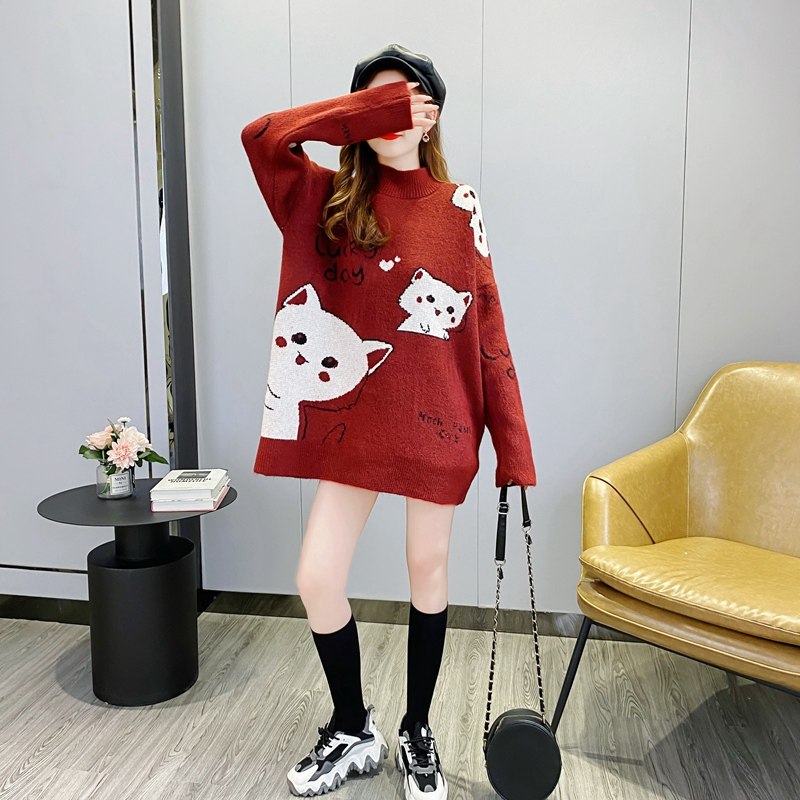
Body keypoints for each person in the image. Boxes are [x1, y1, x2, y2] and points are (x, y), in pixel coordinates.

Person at [240, 43, 537, 799]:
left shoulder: (458, 206)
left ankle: (417, 729)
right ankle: (353, 727)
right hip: (357, 425)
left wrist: (514, 448)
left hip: (439, 423)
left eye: (405, 101)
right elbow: (262, 136)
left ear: (432, 116)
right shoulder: (322, 198)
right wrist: (361, 113)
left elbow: (489, 328)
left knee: (426, 571)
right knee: (316, 576)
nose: (390, 114)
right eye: (374, 104)